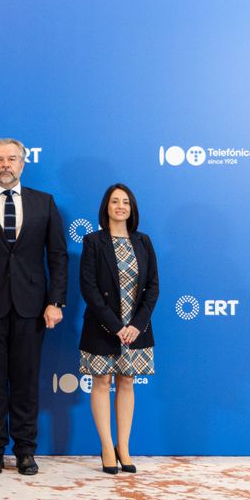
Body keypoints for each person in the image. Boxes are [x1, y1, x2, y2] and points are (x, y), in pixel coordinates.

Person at [0, 138, 68, 476]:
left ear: (23, 163)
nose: (5, 165)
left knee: (26, 382)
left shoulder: (44, 203)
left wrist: (55, 301)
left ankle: (25, 450)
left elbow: (58, 257)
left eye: (12, 159)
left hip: (32, 308)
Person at [79, 183, 158, 474]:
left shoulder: (144, 242)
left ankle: (124, 447)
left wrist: (136, 325)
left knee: (127, 382)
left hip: (137, 330)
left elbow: (153, 288)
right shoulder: (93, 242)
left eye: (125, 201)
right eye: (115, 201)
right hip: (102, 327)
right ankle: (106, 446)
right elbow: (89, 288)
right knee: (101, 383)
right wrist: (115, 326)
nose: (120, 206)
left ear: (132, 208)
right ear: (106, 207)